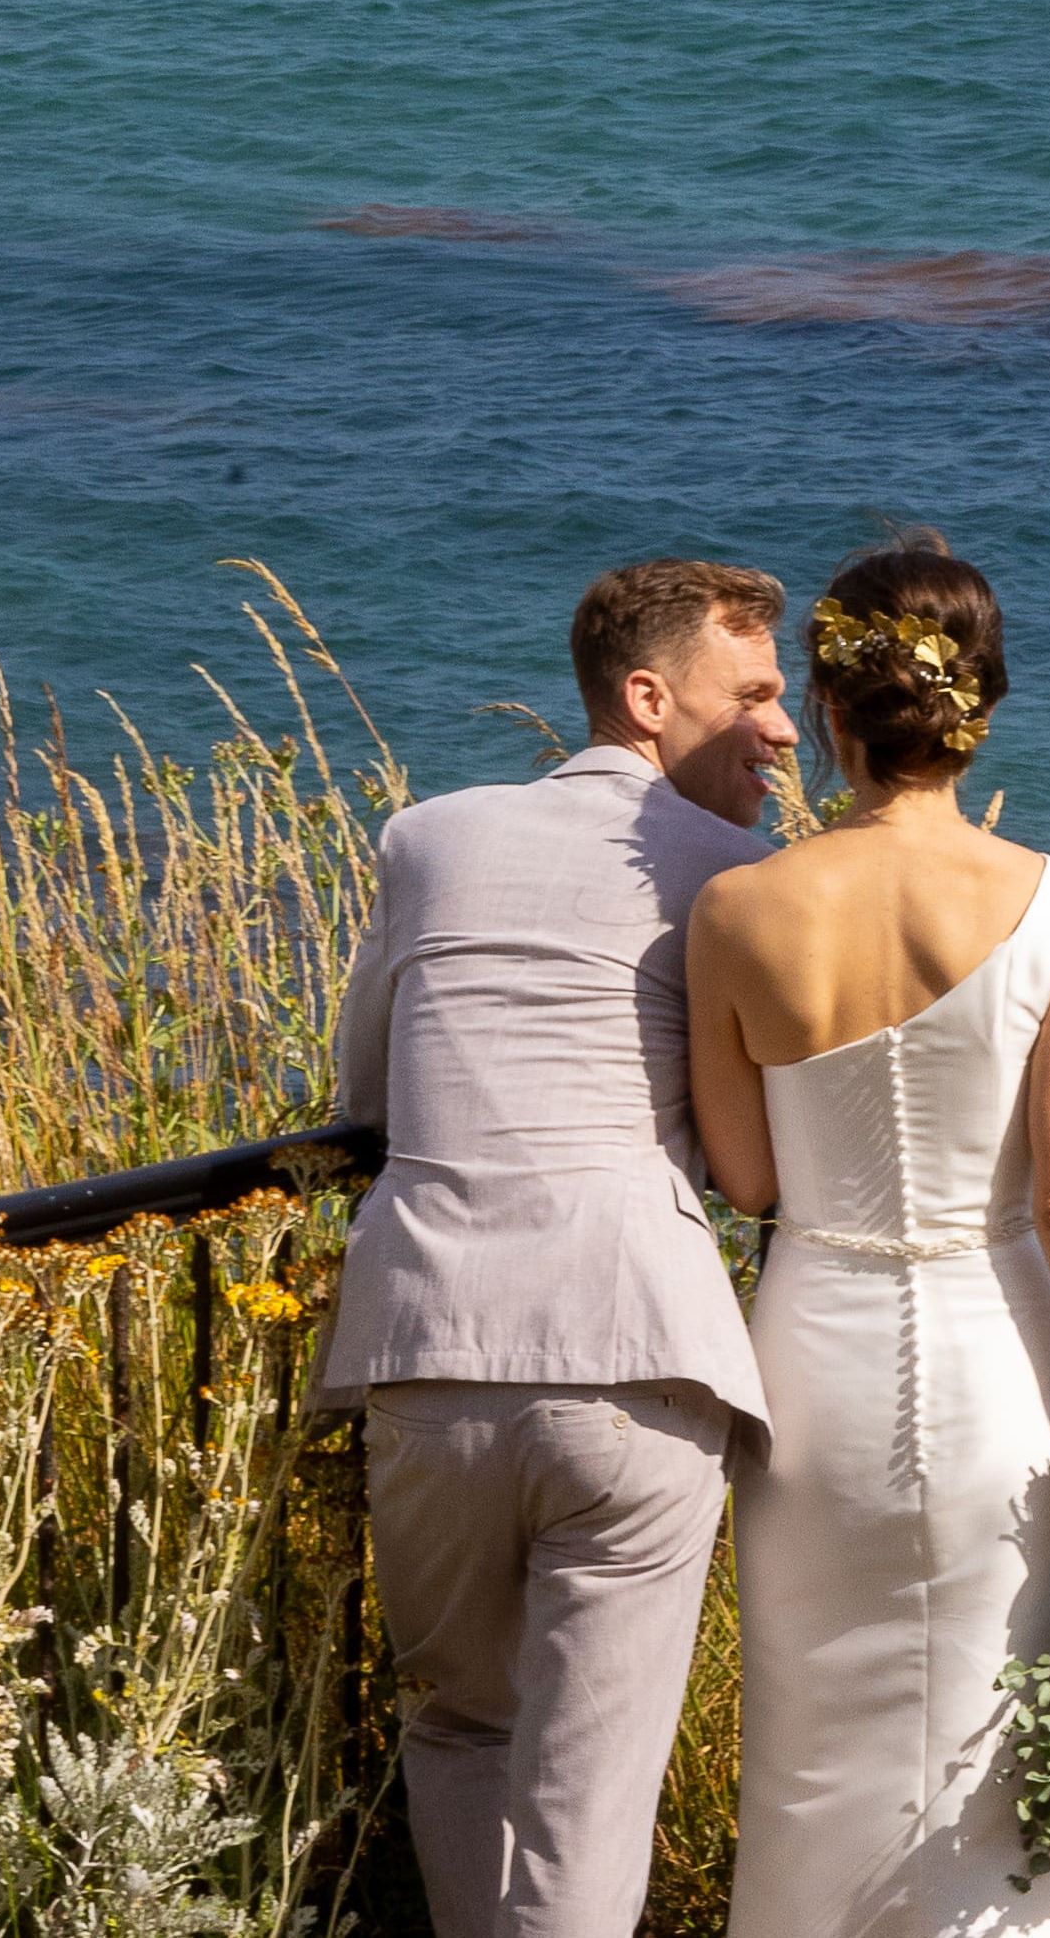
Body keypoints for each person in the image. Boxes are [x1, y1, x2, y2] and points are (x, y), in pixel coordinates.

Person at [687, 534, 1050, 1938]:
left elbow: (748, 1176)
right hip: (1004, 1364)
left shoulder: (736, 909)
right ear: (984, 704)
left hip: (814, 1368)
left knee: (812, 1752)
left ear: (833, 714)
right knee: (1019, 1741)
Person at [309, 558, 799, 1938]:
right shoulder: (741, 881)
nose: (780, 728)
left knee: (462, 1730)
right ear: (649, 699)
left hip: (430, 1344)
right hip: (637, 1355)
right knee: (592, 1789)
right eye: (752, 695)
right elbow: (761, 1150)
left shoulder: (430, 837)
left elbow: (367, 1097)